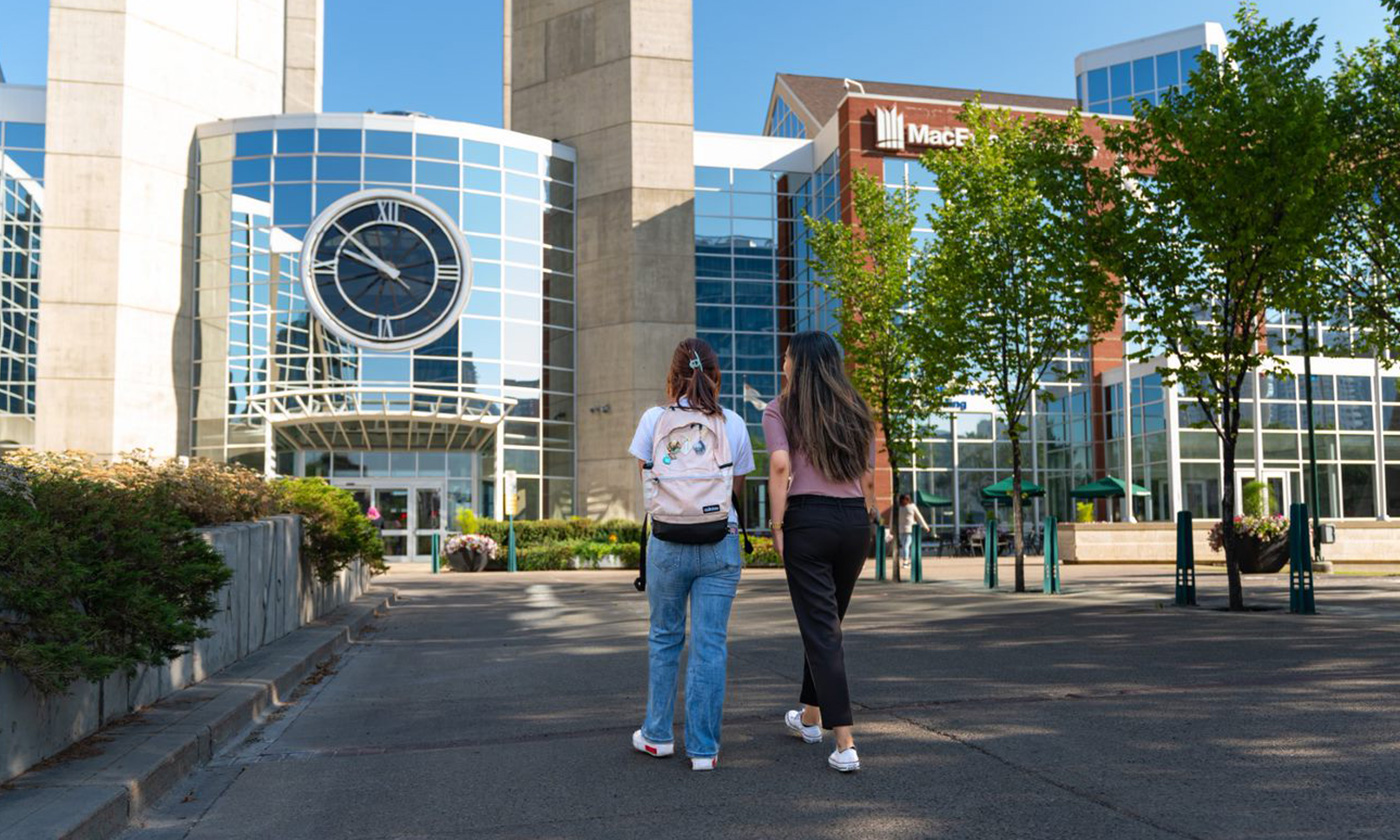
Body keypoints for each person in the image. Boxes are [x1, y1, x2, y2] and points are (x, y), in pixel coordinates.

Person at [628, 337, 754, 771]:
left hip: (666, 542)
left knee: (665, 637)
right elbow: (735, 491)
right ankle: (704, 749)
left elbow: (646, 481)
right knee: (709, 645)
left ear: (672, 377)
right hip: (719, 542)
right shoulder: (734, 423)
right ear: (715, 377)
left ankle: (658, 735)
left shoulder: (653, 419)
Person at [762, 330, 877, 773]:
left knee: (823, 629)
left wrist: (776, 526)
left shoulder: (780, 408)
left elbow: (779, 465)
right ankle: (810, 717)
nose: (783, 364)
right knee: (826, 624)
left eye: (788, 357)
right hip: (853, 522)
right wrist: (862, 518)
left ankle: (844, 741)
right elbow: (868, 477)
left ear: (802, 363)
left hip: (807, 521)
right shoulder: (856, 410)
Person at [897, 493, 930, 566]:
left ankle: (905, 560)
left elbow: (893, 519)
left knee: (904, 545)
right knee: (906, 545)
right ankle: (905, 561)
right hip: (909, 529)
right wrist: (925, 526)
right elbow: (919, 517)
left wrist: (891, 529)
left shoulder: (898, 508)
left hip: (901, 529)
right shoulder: (912, 507)